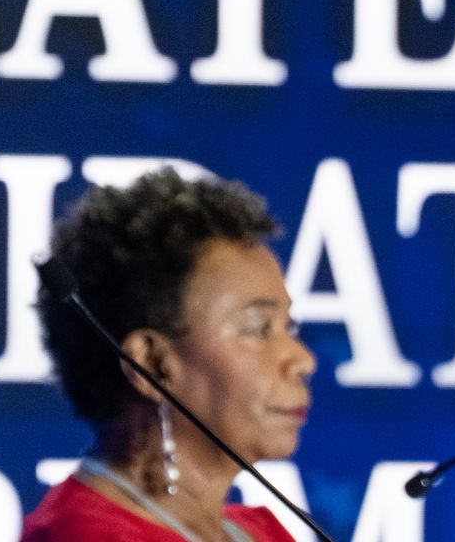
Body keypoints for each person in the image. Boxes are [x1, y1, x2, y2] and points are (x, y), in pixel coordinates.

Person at [22, 168, 316, 542]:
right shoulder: (84, 536)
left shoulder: (262, 532)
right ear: (151, 365)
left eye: (287, 328)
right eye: (259, 329)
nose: (302, 359)